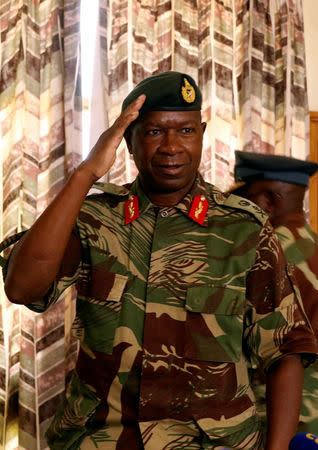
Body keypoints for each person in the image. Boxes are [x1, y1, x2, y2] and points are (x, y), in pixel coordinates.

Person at [3, 72, 318, 450]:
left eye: (185, 131)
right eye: (153, 132)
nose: (172, 146)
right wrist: (85, 173)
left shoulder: (244, 229)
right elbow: (22, 287)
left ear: (202, 133)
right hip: (103, 440)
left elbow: (285, 351)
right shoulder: (94, 220)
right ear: (128, 142)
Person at [230, 150, 318, 436]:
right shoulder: (314, 244)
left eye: (246, 197)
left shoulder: (259, 254)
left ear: (267, 201)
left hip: (274, 414)